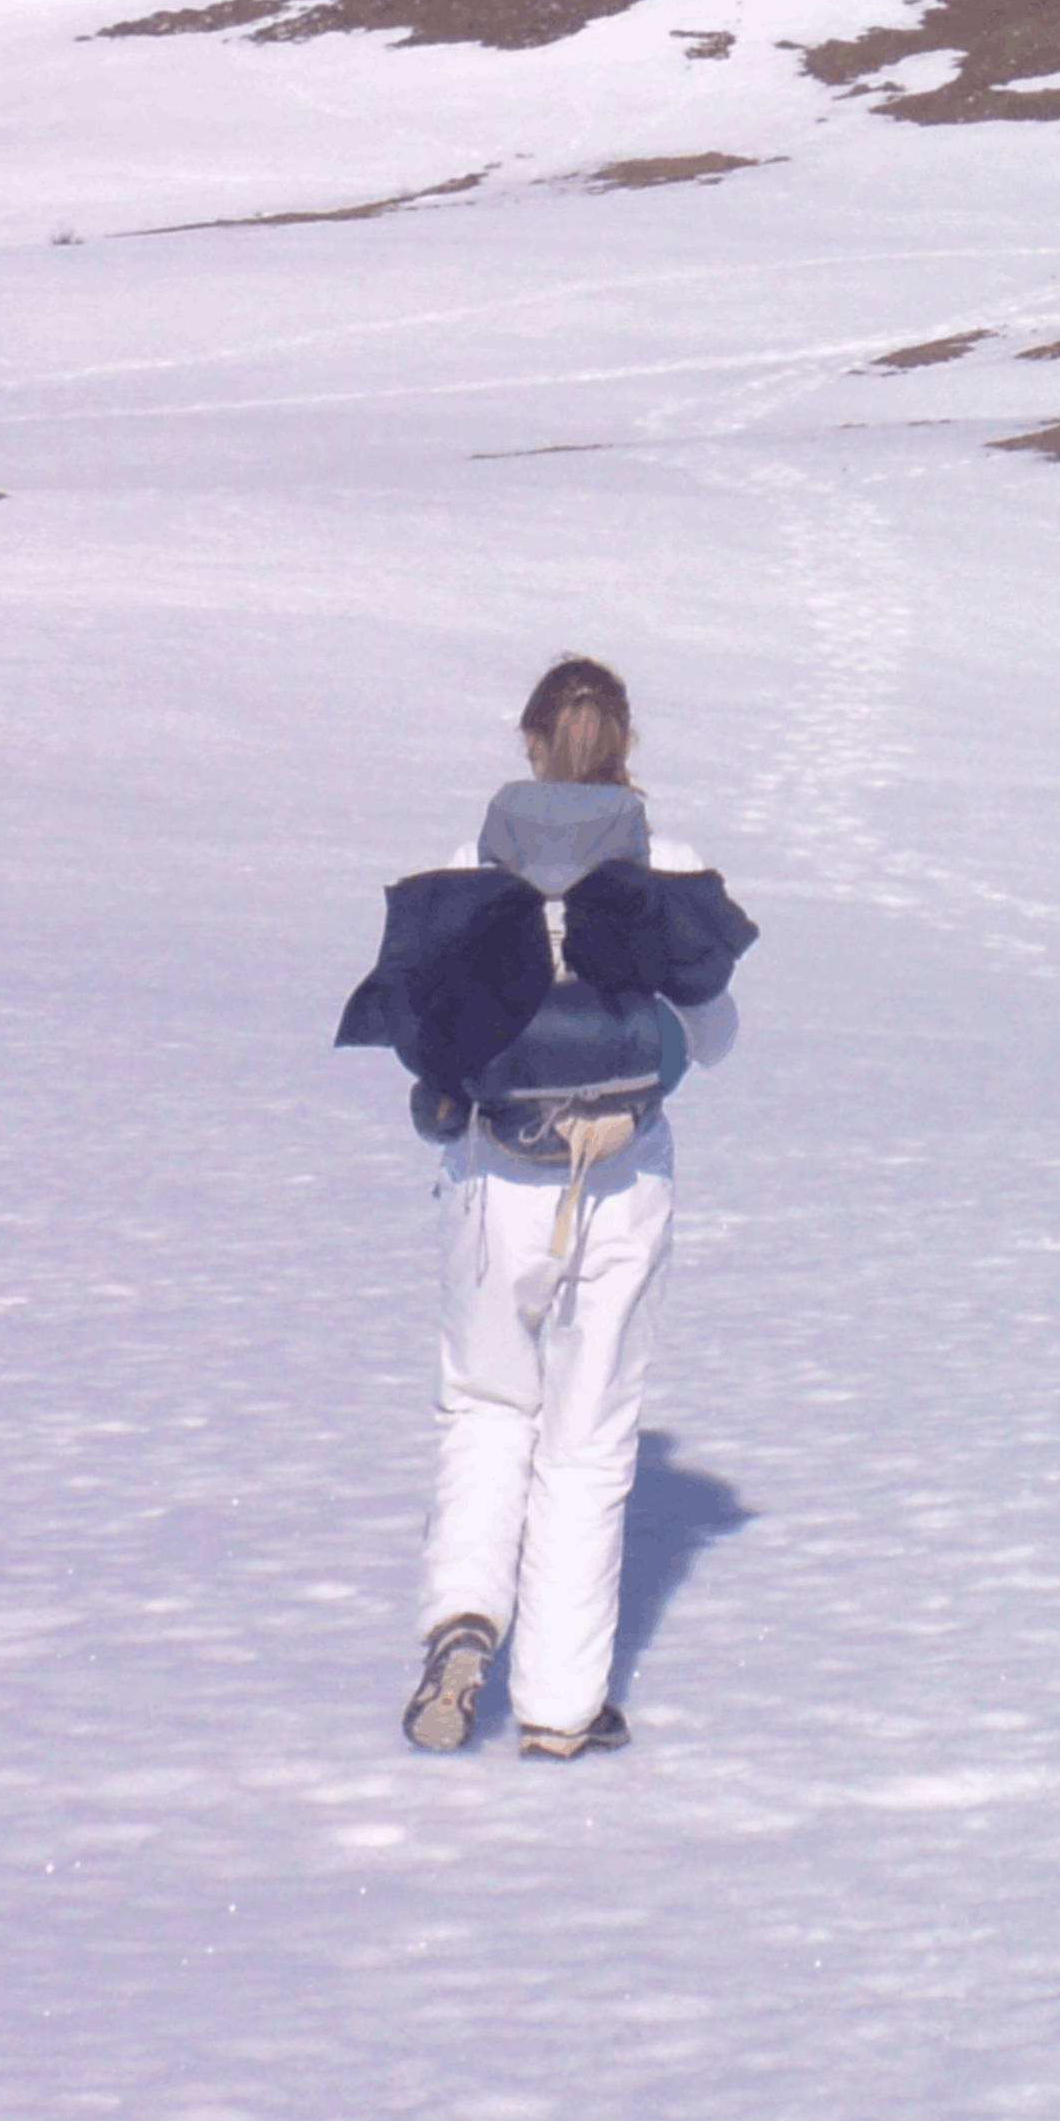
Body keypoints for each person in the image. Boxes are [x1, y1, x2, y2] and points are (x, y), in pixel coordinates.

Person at [399, 656, 748, 1760]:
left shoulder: (471, 866)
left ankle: (463, 1620)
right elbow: (717, 1033)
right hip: (621, 1178)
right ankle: (559, 1708)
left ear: (529, 743)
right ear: (625, 744)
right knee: (586, 1443)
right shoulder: (667, 868)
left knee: (489, 1407)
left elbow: (430, 1023)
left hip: (497, 1175)